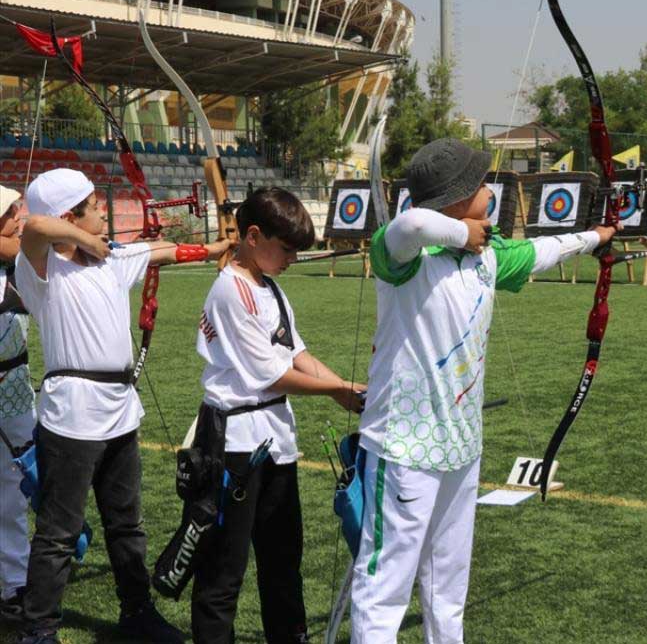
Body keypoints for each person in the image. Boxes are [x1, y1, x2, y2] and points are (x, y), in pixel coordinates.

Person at [350, 138, 616, 643]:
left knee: (448, 586)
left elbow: (542, 251)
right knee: (385, 586)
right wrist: (463, 233)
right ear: (456, 198)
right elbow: (410, 223)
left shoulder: (486, 256)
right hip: (404, 446)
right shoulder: (404, 257)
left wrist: (596, 237)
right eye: (479, 185)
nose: (489, 191)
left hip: (461, 445)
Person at [15, 168, 229, 644]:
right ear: (71, 216)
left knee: (126, 525)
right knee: (57, 535)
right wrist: (85, 241)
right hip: (71, 416)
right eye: (93, 207)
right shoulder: (42, 272)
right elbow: (35, 228)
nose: (103, 213)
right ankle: (39, 631)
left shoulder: (112, 261)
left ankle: (137, 614)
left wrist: (217, 248)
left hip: (119, 411)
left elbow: (167, 251)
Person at [188, 188, 366, 643]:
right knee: (223, 569)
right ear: (252, 236)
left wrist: (341, 390)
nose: (290, 258)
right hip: (234, 446)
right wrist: (337, 389)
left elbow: (295, 350)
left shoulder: (269, 286)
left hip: (274, 442)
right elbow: (270, 376)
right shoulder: (232, 290)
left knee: (283, 561)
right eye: (285, 248)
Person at [0, 186, 35, 623]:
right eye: (10, 212)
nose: (18, 217)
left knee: (15, 491)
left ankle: (15, 584)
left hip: (16, 394)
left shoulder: (18, 263)